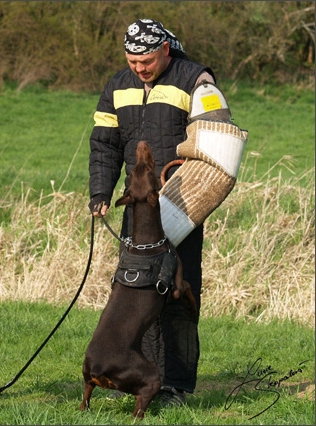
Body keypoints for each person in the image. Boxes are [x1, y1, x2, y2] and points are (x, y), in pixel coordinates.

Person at [88, 18, 218, 406]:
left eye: (146, 61)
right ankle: (142, 378)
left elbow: (214, 139)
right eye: (132, 61)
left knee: (177, 294)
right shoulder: (117, 86)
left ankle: (176, 385)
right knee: (136, 296)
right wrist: (100, 192)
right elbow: (105, 145)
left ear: (165, 50)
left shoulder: (194, 79)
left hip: (181, 205)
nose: (139, 69)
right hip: (137, 212)